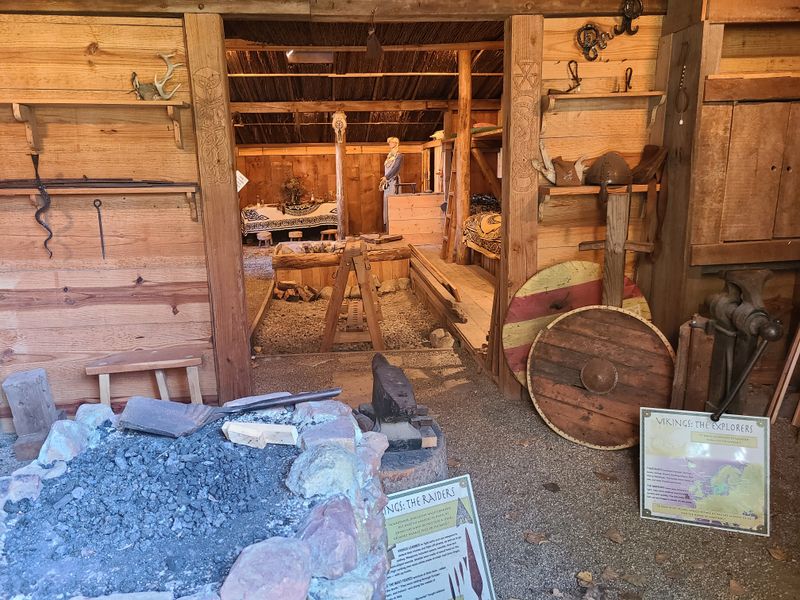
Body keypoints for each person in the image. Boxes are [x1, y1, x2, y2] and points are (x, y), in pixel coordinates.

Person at [379, 136, 403, 231]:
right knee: (386, 203)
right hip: (387, 183)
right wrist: (384, 180)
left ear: (396, 143)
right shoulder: (389, 156)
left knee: (393, 203)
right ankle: (388, 228)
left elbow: (395, 168)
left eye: (391, 142)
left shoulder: (399, 156)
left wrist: (386, 177)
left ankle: (395, 228)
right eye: (389, 142)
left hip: (393, 181)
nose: (389, 144)